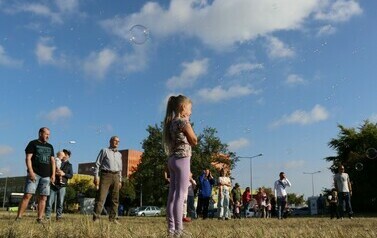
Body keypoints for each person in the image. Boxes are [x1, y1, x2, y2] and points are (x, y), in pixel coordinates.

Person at [163, 95, 197, 237]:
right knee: (181, 195)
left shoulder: (171, 123)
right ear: (183, 107)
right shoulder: (183, 122)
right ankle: (179, 230)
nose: (191, 112)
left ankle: (171, 230)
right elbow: (194, 140)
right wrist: (188, 122)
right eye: (190, 109)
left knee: (172, 195)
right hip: (183, 159)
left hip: (172, 160)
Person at [15, 127, 56, 223]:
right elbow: (28, 158)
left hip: (46, 176)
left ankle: (40, 218)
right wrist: (31, 172)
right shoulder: (33, 143)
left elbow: (53, 161)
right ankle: (19, 217)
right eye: (46, 134)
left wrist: (53, 175)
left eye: (49, 134)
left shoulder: (50, 146)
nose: (48, 136)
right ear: (40, 133)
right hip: (35, 174)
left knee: (43, 197)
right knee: (28, 195)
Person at [92, 136, 123, 223]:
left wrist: (120, 180)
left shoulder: (119, 154)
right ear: (110, 141)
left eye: (118, 141)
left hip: (116, 176)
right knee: (101, 197)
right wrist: (96, 176)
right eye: (115, 141)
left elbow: (120, 168)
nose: (117, 143)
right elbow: (97, 164)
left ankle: (113, 219)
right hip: (106, 175)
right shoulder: (104, 150)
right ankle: (96, 218)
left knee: (115, 199)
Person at [45, 149, 73, 221]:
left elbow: (71, 175)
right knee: (49, 202)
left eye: (66, 155)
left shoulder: (69, 165)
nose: (64, 156)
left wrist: (64, 174)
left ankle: (59, 217)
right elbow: (50, 171)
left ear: (68, 156)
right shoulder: (56, 161)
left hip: (62, 186)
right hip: (54, 184)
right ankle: (47, 217)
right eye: (63, 154)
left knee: (60, 203)